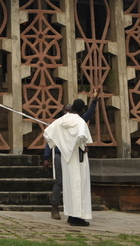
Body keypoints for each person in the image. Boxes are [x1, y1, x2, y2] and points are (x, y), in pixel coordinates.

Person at [43, 91, 97, 227]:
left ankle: (71, 215)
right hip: (77, 159)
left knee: (68, 187)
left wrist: (63, 145)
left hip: (64, 159)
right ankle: (77, 217)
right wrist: (80, 147)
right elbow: (82, 138)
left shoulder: (61, 121)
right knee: (79, 186)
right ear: (82, 109)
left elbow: (48, 134)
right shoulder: (79, 121)